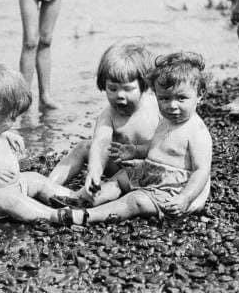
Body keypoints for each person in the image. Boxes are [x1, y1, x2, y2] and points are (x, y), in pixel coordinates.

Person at [60, 52, 212, 225]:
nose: (172, 106)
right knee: (120, 178)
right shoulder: (166, 121)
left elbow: (201, 171)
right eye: (164, 98)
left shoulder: (197, 131)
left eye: (182, 98)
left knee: (134, 200)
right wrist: (135, 151)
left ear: (200, 95)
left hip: (173, 189)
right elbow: (156, 147)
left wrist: (185, 198)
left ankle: (88, 216)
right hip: (150, 172)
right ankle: (83, 199)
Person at [0, 64, 83, 223]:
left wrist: (6, 134)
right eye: (12, 118)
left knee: (36, 179)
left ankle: (74, 198)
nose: (14, 122)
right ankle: (52, 215)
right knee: (9, 198)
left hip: (8, 185)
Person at [48, 43, 159, 204]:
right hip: (120, 165)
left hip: (148, 170)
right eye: (112, 89)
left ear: (144, 86)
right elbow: (101, 144)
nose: (120, 95)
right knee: (83, 147)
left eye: (128, 89)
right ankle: (50, 185)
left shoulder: (156, 107)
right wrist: (94, 172)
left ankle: (80, 198)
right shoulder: (108, 114)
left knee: (117, 182)